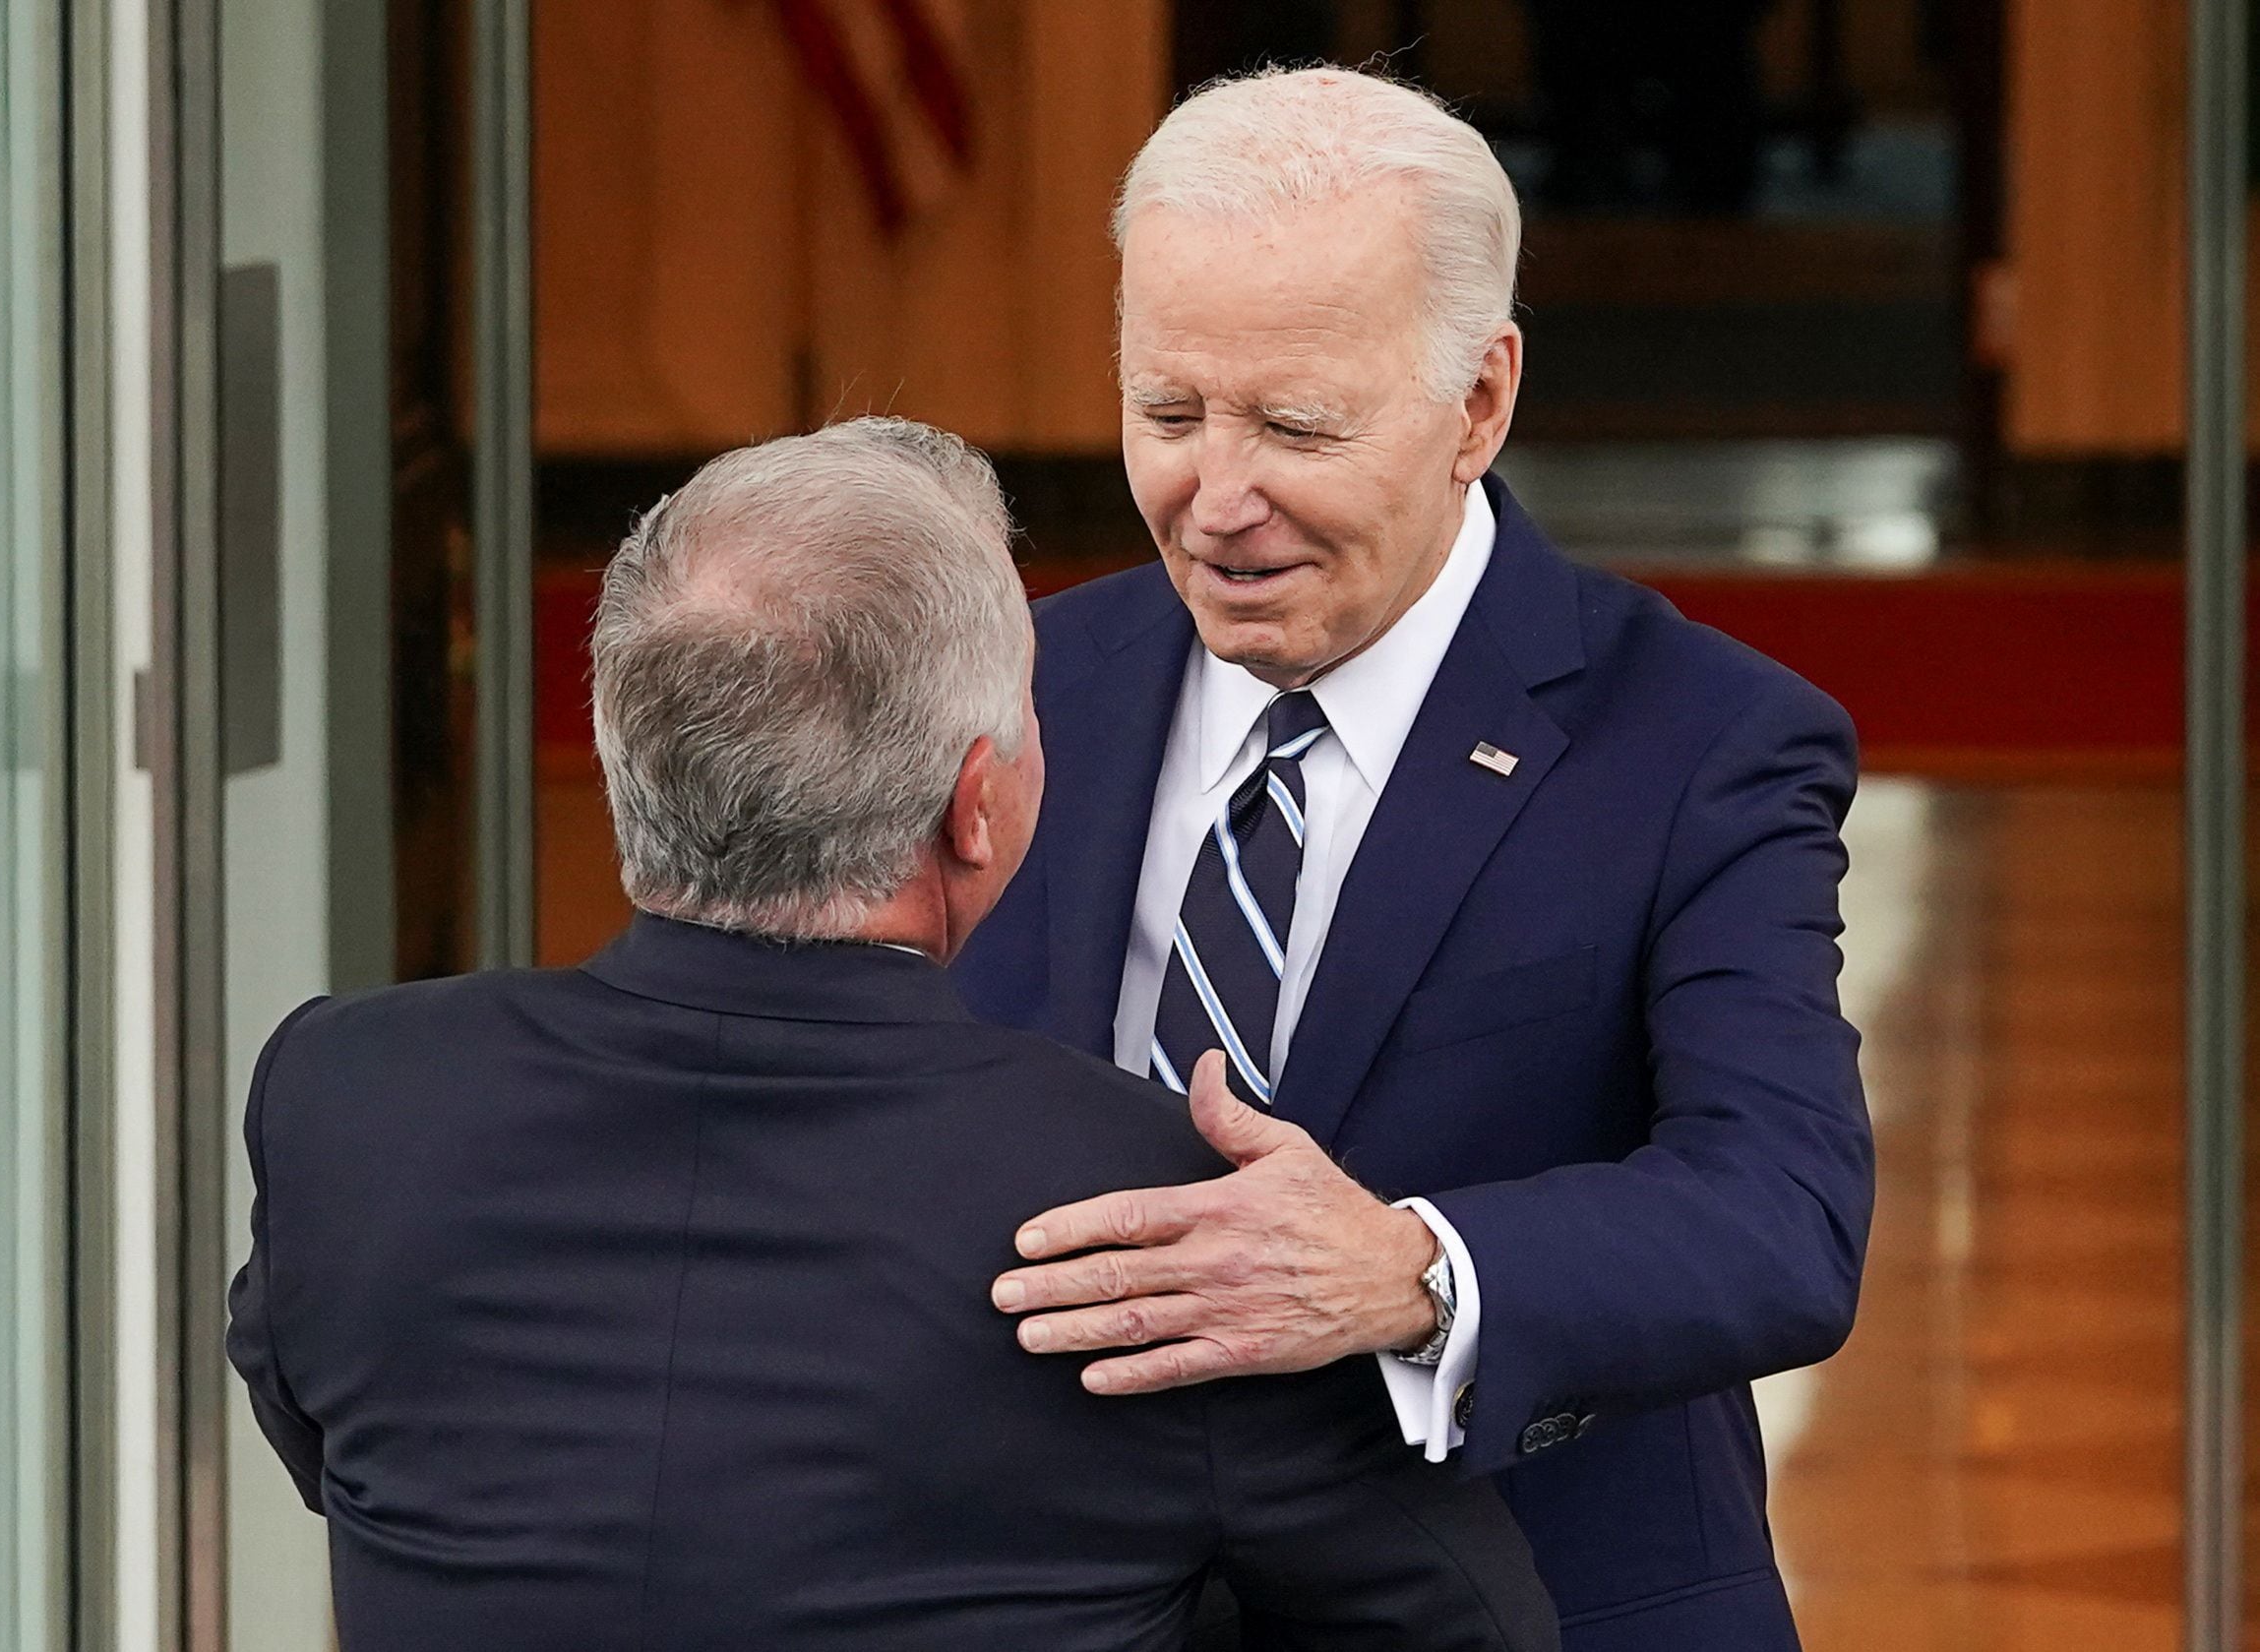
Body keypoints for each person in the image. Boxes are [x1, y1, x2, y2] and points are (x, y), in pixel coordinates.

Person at [225, 417, 1558, 1652]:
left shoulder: (346, 1099)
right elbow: (1464, 1628)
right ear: (976, 804)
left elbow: (357, 1462)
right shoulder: (1162, 1215)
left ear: (629, 748)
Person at [952, 70, 1872, 1652]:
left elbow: (1782, 1214)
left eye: (1296, 426)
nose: (1214, 498)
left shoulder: (1703, 740)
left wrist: (1411, 1273)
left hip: (1544, 1599)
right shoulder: (1006, 689)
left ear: (1482, 402)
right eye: (1166, 413)